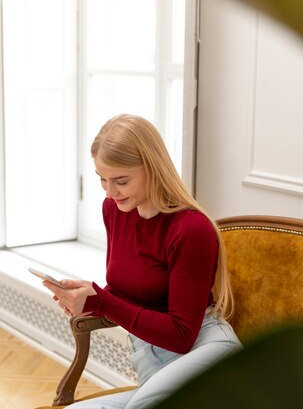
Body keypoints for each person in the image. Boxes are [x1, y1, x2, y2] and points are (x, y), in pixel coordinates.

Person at [42, 114, 242, 409]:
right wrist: (89, 299)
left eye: (121, 181)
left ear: (153, 168)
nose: (110, 192)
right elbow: (128, 289)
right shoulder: (114, 209)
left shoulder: (190, 229)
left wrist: (103, 302)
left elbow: (181, 335)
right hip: (152, 361)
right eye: (102, 180)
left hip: (205, 350)